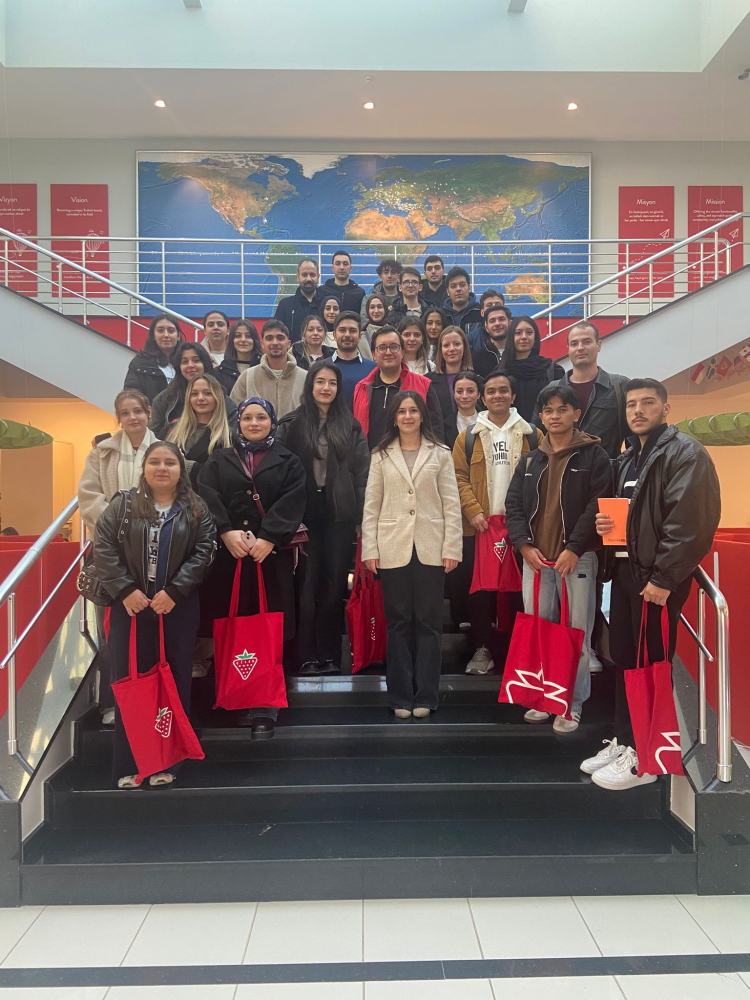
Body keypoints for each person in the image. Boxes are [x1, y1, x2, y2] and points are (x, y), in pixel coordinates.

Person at [583, 378, 721, 790]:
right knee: (627, 659)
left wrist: (663, 577)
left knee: (651, 665)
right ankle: (627, 741)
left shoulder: (686, 453)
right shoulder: (628, 458)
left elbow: (691, 522)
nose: (638, 411)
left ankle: (649, 760)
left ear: (665, 408)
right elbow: (633, 518)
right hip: (627, 575)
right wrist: (607, 526)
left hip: (655, 581)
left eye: (647, 403)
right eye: (631, 405)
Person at [94, 442, 216, 788]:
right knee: (130, 682)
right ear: (144, 468)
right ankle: (130, 764)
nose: (162, 468)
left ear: (181, 470)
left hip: (177, 607)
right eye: (155, 462)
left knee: (174, 682)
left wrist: (175, 591)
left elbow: (205, 553)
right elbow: (103, 547)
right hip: (129, 606)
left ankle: (168, 762)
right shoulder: (122, 504)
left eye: (170, 463)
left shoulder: (197, 509)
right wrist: (124, 590)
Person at [196, 398, 307, 737]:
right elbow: (206, 496)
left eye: (261, 417)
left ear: (273, 422)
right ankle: (233, 693)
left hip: (269, 558)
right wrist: (225, 531)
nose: (254, 423)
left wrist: (269, 537)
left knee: (268, 627)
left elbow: (293, 500)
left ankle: (264, 703)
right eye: (247, 417)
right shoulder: (218, 459)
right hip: (228, 558)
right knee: (231, 624)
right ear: (238, 422)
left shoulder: (289, 461)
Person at [506, 385, 612, 733]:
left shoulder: (594, 456)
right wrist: (523, 546)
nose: (555, 416)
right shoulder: (530, 460)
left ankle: (571, 704)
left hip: (577, 560)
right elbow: (513, 506)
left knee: (576, 635)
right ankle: (543, 697)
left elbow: (597, 505)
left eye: (562, 409)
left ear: (576, 414)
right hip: (536, 562)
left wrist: (575, 548)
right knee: (541, 631)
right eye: (549, 410)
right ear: (540, 416)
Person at [362, 391, 462, 717]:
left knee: (429, 623)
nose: (407, 416)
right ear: (394, 417)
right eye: (402, 411)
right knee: (398, 622)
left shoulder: (440, 453)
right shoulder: (381, 455)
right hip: (393, 547)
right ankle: (401, 696)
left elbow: (451, 504)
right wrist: (370, 548)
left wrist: (452, 547)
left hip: (431, 546)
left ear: (422, 415)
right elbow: (371, 505)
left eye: (413, 411)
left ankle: (426, 696)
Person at [277, 362, 370, 675]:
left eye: (332, 382)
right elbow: (280, 472)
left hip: (338, 516)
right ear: (310, 385)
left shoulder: (350, 425)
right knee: (305, 587)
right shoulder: (291, 424)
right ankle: (305, 656)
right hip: (303, 515)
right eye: (320, 381)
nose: (326, 388)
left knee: (332, 587)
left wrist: (361, 517)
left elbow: (362, 474)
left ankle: (329, 655)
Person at [78, 389, 161, 726]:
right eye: (125, 413)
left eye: (137, 411)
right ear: (118, 418)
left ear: (149, 412)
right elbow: (88, 497)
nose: (132, 417)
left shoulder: (164, 450)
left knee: (152, 628)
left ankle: (150, 697)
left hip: (155, 550)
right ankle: (112, 702)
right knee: (112, 632)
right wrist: (119, 526)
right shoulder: (102, 454)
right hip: (111, 551)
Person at [452, 371, 541, 673]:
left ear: (513, 396)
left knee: (519, 590)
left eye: (504, 390)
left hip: (521, 527)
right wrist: (472, 510)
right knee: (480, 591)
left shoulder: (533, 435)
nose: (497, 395)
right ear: (483, 397)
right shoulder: (468, 437)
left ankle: (519, 651)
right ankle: (482, 649)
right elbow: (458, 476)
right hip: (480, 525)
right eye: (491, 391)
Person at [534, 321, 628, 460]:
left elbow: (634, 439)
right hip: (561, 469)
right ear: (568, 349)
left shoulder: (619, 386)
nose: (580, 347)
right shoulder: (550, 390)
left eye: (587, 341)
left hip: (606, 470)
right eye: (574, 343)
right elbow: (537, 437)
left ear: (598, 345)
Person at [353, 326, 443, 449]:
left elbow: (436, 430)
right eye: (382, 348)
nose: (388, 352)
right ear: (374, 354)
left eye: (394, 347)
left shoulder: (424, 385)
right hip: (370, 459)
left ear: (403, 351)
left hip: (413, 458)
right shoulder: (362, 388)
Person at [151, 342, 237, 439]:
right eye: (184, 362)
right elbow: (155, 436)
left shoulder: (225, 402)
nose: (190, 365)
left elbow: (232, 436)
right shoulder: (163, 399)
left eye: (196, 360)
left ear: (205, 364)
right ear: (178, 367)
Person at [230, 319, 307, 417]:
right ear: (262, 344)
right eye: (269, 338)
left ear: (288, 344)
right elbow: (233, 415)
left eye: (280, 338)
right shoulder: (247, 377)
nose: (275, 343)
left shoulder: (305, 377)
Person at [167, 374, 232, 486]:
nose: (200, 398)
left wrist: (186, 466)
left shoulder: (228, 438)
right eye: (194, 394)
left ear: (218, 397)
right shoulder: (171, 430)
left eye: (208, 393)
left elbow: (221, 477)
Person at [498, 316, 564, 422]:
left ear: (535, 337)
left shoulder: (553, 370)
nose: (524, 337)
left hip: (545, 430)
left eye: (529, 332)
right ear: (511, 338)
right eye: (518, 333)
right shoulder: (501, 372)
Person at [426, 326, 474, 447]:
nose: (452, 349)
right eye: (446, 345)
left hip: (472, 442)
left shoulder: (477, 380)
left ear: (464, 347)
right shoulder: (428, 381)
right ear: (440, 350)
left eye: (457, 344)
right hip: (440, 444)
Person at [124, 313, 184, 404]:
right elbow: (131, 396)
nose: (166, 335)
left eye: (171, 331)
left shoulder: (188, 362)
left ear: (178, 335)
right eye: (160, 331)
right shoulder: (139, 364)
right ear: (153, 336)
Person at [330, 311, 377, 408]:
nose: (347, 335)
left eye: (352, 330)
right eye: (342, 330)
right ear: (334, 335)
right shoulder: (321, 368)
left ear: (360, 336)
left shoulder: (374, 369)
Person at [274, 258, 325, 342]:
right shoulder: (285, 305)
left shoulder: (327, 305)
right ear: (298, 277)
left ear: (318, 277)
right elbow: (277, 334)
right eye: (304, 275)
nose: (308, 279)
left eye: (312, 275)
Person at [214, 320, 262, 395]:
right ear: (232, 340)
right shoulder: (218, 373)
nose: (243, 340)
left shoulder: (264, 369)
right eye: (238, 336)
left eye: (248, 336)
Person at [472, 304, 512, 377]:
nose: (497, 323)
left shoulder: (520, 354)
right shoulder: (476, 358)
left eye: (501, 319)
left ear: (510, 323)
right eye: (492, 321)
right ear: (486, 327)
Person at [443, 267, 482, 342]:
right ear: (448, 291)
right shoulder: (442, 316)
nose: (458, 289)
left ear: (469, 288)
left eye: (462, 285)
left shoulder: (480, 313)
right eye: (453, 286)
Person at [453, 370, 484, 443]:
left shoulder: (488, 421)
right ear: (454, 394)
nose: (465, 396)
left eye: (470, 391)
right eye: (459, 391)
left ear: (478, 394)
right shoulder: (444, 425)